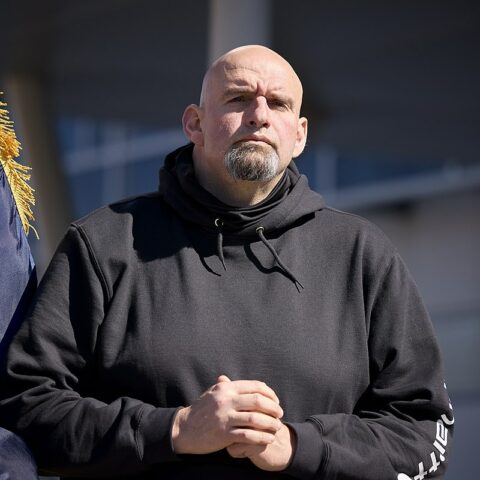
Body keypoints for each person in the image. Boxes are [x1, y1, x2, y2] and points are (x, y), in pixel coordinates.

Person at [0, 45, 453, 479]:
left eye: (278, 103)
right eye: (238, 99)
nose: (259, 115)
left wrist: (298, 446)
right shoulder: (104, 243)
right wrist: (175, 430)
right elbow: (25, 406)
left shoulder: (363, 254)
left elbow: (422, 431)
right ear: (194, 123)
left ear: (299, 136)